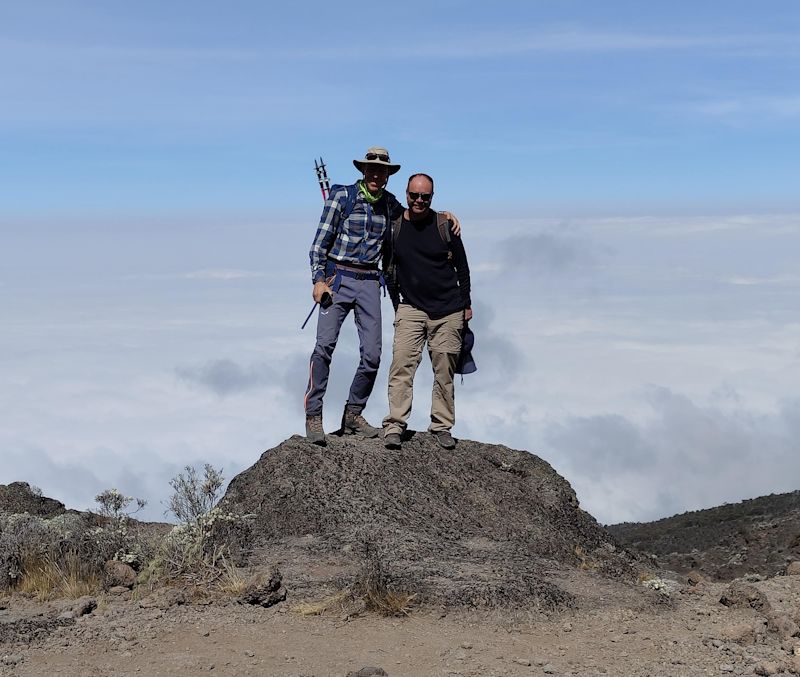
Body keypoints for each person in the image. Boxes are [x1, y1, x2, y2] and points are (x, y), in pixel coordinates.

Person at [304, 148, 459, 446]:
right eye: (371, 169)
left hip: (369, 280)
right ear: (363, 170)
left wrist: (444, 216)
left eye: (382, 170)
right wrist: (318, 280)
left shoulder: (390, 205)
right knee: (324, 348)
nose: (376, 174)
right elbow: (319, 244)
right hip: (337, 276)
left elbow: (417, 215)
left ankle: (353, 414)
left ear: (388, 174)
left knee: (372, 355)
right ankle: (314, 415)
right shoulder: (342, 197)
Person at [382, 173, 472, 450]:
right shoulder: (395, 226)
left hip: (448, 310)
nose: (419, 200)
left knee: (444, 370)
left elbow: (462, 267)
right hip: (410, 307)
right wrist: (398, 304)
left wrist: (466, 304)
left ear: (432, 197)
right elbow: (387, 266)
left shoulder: (444, 225)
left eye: (425, 196)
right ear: (406, 194)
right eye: (414, 195)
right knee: (401, 367)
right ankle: (395, 424)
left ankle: (441, 425)